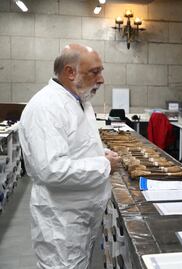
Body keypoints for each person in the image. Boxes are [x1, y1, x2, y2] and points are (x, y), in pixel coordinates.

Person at [19, 44, 121, 269]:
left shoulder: (79, 101)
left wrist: (100, 153)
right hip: (62, 221)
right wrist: (104, 165)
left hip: (79, 215)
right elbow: (52, 170)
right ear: (70, 72)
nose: (101, 79)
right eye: (94, 72)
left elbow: (75, 147)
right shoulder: (46, 107)